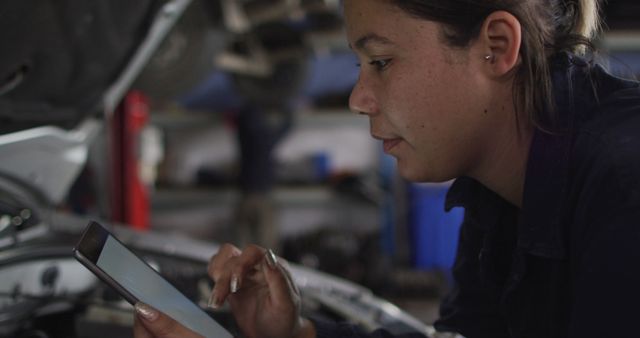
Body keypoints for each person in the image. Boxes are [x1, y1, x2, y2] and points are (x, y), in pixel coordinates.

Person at [132, 0, 640, 337]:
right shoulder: (500, 189)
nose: (358, 98)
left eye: (380, 61)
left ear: (497, 46)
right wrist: (295, 335)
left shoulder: (624, 185)